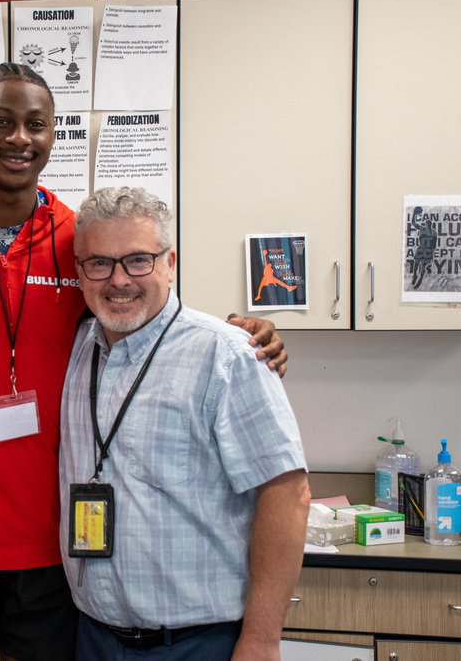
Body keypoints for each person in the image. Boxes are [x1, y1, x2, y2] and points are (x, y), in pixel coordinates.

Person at [0, 64, 288, 661]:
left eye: (36, 124)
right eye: (1, 121)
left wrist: (244, 334)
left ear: (53, 134)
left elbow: (145, 312)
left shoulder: (76, 242)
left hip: (57, 548)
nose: (19, 138)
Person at [59, 186, 310, 661]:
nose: (119, 280)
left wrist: (261, 640)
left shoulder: (228, 355)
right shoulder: (72, 350)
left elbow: (287, 494)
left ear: (170, 263)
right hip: (92, 637)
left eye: (138, 260)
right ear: (79, 270)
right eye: (99, 263)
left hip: (198, 644)